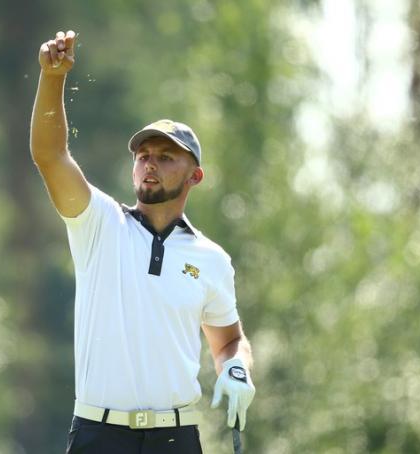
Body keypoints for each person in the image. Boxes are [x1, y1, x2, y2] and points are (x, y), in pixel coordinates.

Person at [30, 29, 256, 454]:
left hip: (176, 436)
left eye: (165, 157)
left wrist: (237, 367)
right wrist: (52, 78)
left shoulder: (211, 259)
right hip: (99, 434)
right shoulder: (98, 223)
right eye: (143, 156)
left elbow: (227, 340)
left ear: (195, 176)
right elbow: (50, 155)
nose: (150, 164)